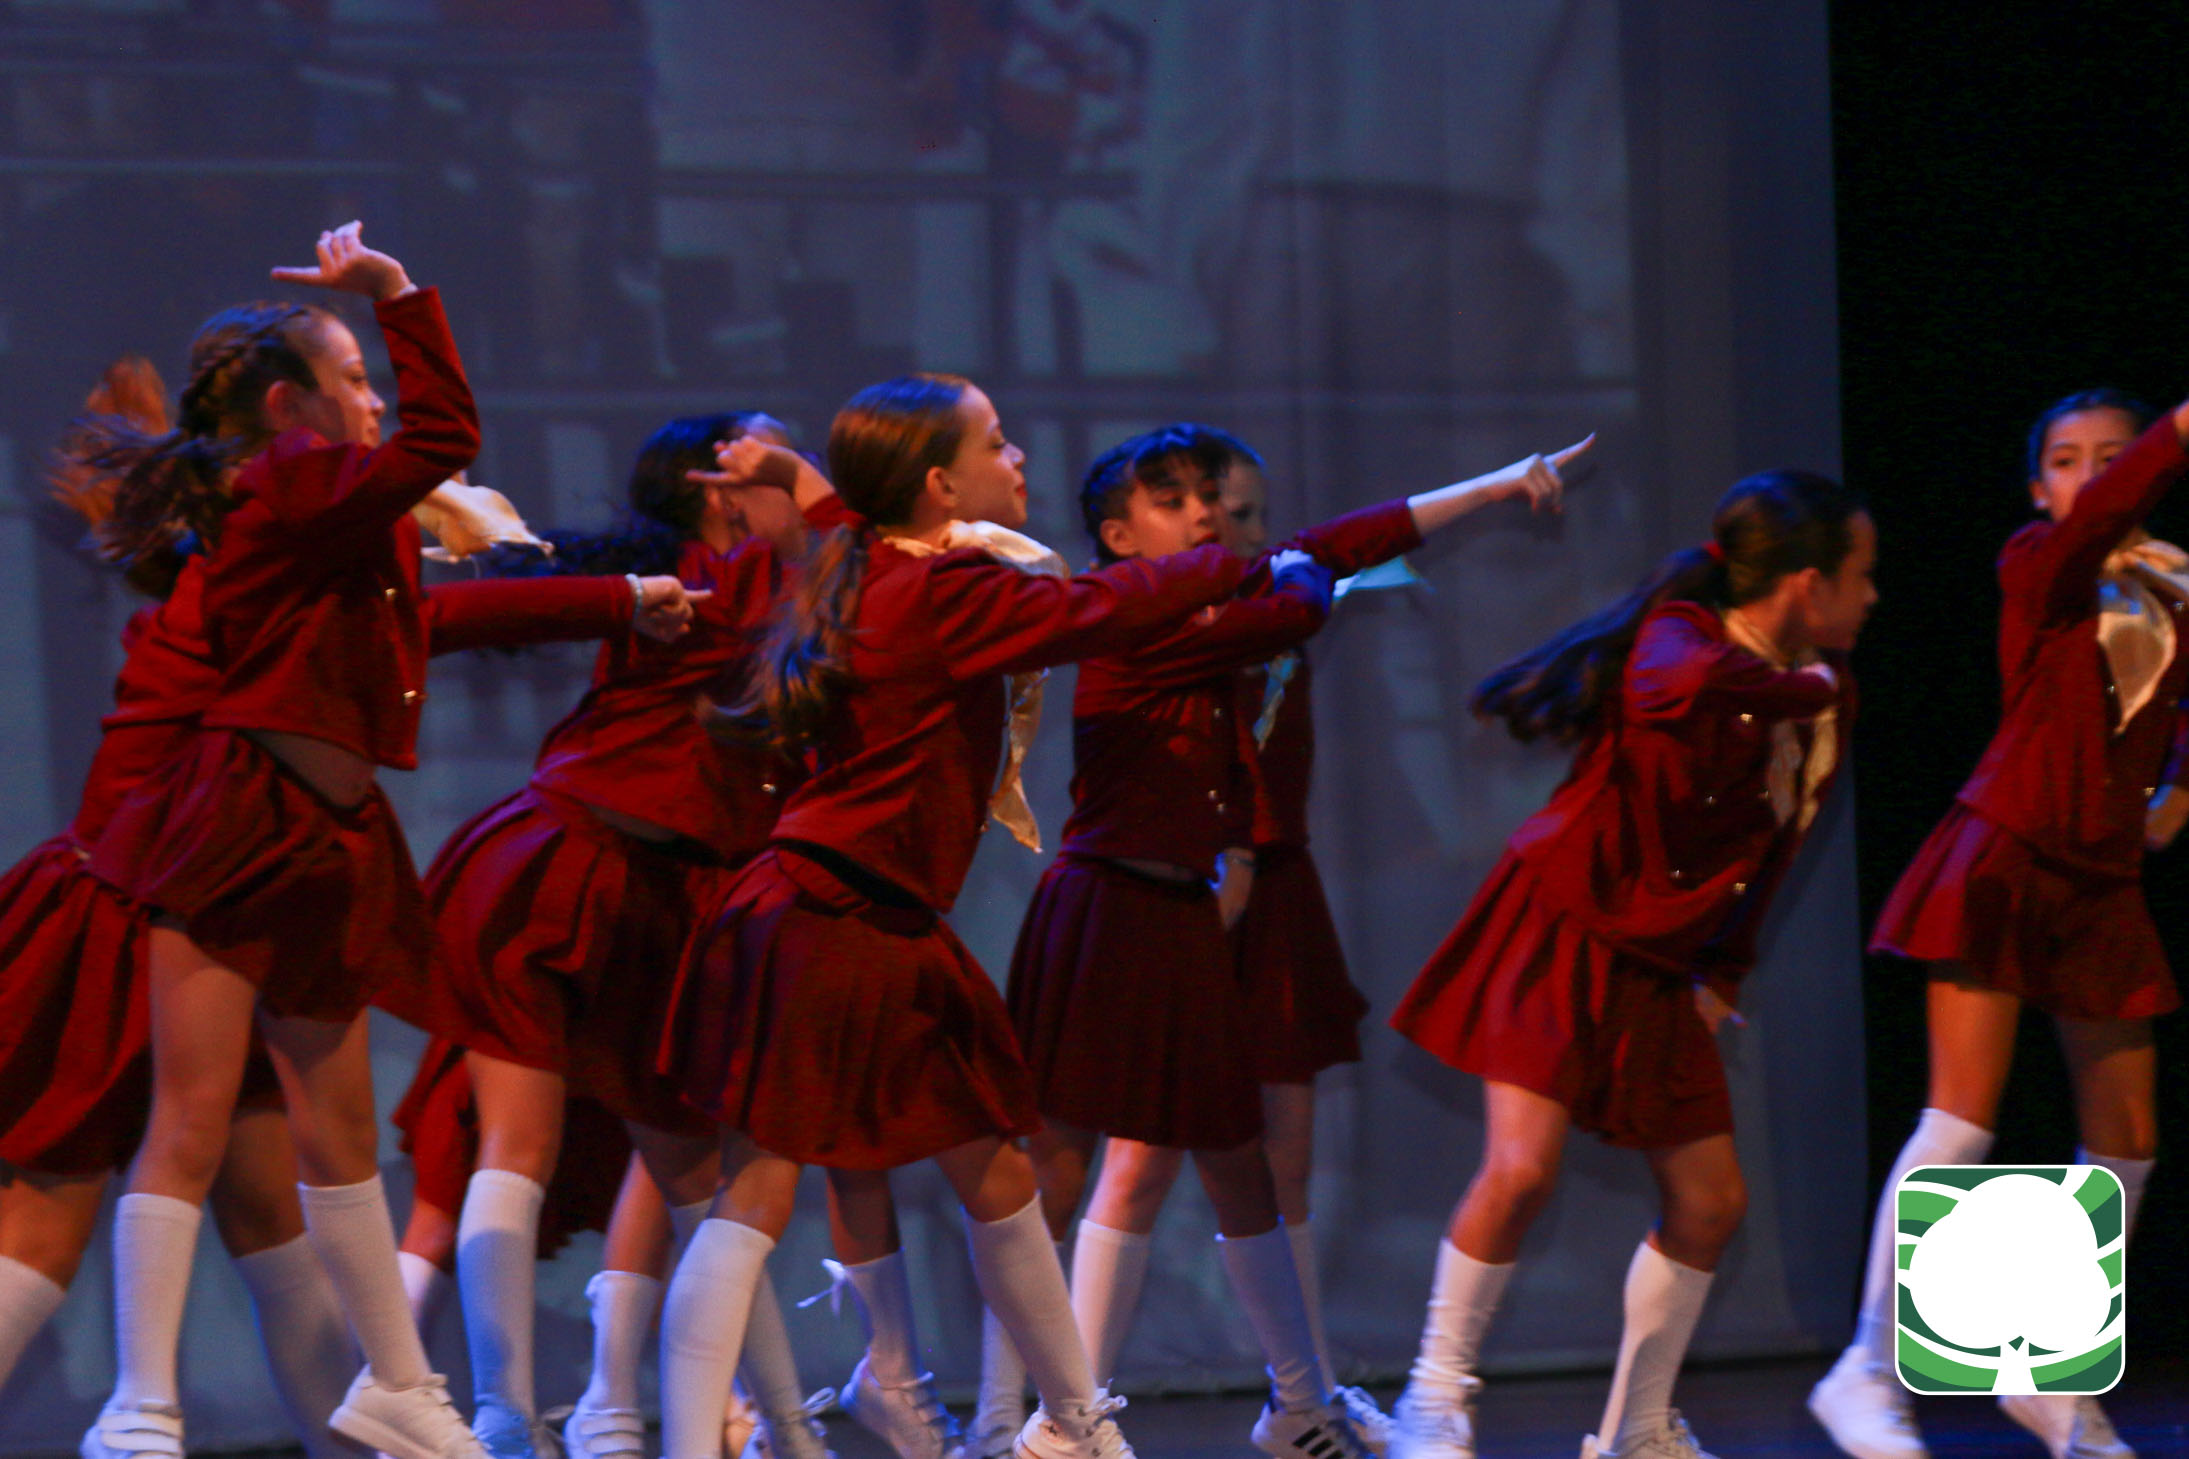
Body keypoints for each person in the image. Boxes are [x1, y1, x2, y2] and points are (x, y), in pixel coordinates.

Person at [652, 372, 1270, 1459]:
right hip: (835, 914)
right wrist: (1251, 561)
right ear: (940, 483)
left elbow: (838, 509)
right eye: (996, 441)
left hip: (852, 909)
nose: (1017, 456)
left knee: (994, 1172)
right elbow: (1102, 609)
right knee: (760, 1191)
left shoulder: (864, 555)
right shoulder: (947, 591)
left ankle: (1074, 1425)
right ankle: (695, 1441)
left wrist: (787, 469)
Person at [998, 424, 1585, 1459]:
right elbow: (1303, 594)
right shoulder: (1136, 611)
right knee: (1062, 1165)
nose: (1204, 514)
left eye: (1211, 498)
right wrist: (1302, 574)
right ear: (1118, 535)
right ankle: (1036, 1419)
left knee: (1239, 1161)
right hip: (1111, 908)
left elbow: (1342, 543)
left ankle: (1295, 1400)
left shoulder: (1203, 595)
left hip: (1174, 905)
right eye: (1175, 500)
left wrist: (1495, 484)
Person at [77, 221, 555, 1459]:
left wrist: (622, 601)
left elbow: (428, 620)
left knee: (338, 1134)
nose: (375, 399)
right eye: (356, 378)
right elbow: (441, 440)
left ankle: (398, 1382)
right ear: (290, 407)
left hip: (329, 834)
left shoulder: (336, 516)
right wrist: (399, 295)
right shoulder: (288, 483)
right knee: (190, 1120)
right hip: (239, 822)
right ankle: (140, 1403)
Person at [374, 412, 862, 1459]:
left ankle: (777, 1424)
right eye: (770, 462)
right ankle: (502, 1414)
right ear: (714, 489)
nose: (794, 480)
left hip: (664, 897)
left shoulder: (751, 583)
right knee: (518, 1144)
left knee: (696, 1179)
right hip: (561, 864)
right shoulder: (708, 586)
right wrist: (816, 500)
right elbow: (848, 564)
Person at [1387, 470, 1875, 1459]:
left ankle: (1636, 1428)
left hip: (1662, 959)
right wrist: (1805, 687)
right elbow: (1678, 685)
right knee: (1520, 1169)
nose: (1872, 597)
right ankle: (1430, 1400)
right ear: (1806, 584)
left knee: (1710, 1200)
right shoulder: (1682, 637)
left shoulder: (1823, 695)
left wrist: (1723, 970)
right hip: (1565, 921)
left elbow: (1776, 846)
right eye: (1860, 576)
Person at [1811, 388, 2189, 1459]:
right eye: (2065, 459)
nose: (2088, 474)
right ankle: (1865, 1368)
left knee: (2126, 1139)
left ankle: (2044, 1374)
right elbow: (2095, 524)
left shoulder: (2171, 580)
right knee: (1960, 1123)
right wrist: (2171, 435)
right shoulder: (2039, 559)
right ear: (2037, 487)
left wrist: (2175, 790)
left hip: (2099, 877)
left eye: (2109, 454)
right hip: (2007, 852)